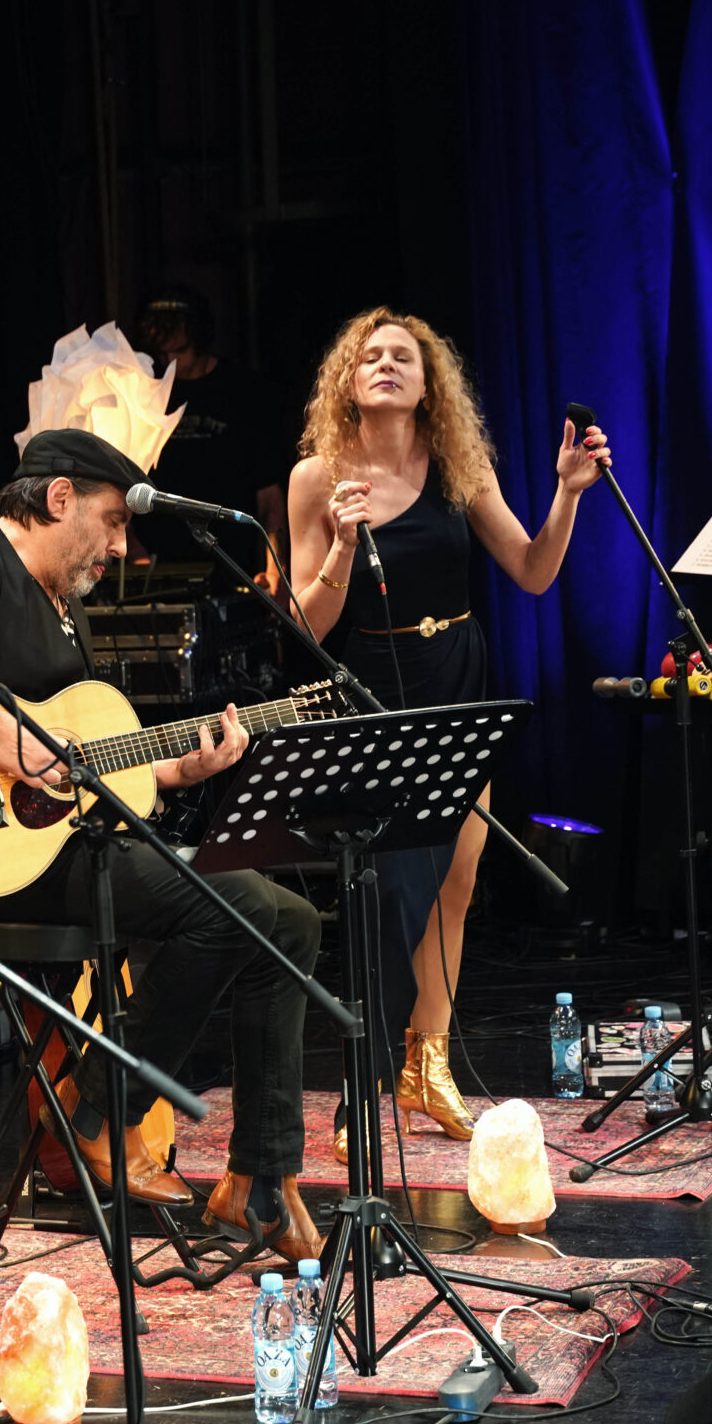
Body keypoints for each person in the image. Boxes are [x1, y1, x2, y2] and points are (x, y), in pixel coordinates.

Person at [0, 427, 325, 1260]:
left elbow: (78, 759)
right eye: (112, 522)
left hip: (58, 843)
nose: (119, 547)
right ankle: (97, 1111)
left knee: (292, 920)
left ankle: (259, 1180)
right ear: (58, 498)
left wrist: (175, 770)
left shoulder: (59, 602)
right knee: (239, 907)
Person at [287, 308, 607, 1140]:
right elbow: (305, 626)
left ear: (430, 384)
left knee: (456, 881)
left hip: (458, 677)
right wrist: (343, 547)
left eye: (404, 356)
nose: (386, 364)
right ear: (347, 381)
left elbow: (532, 571)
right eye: (370, 356)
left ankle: (427, 1065)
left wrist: (567, 495)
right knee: (393, 894)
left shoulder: (460, 467)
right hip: (375, 690)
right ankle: (362, 1082)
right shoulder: (318, 478)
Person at [133, 285, 297, 573]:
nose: (169, 360)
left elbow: (269, 493)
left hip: (231, 561)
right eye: (162, 351)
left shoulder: (244, 390)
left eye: (179, 350)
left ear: (199, 339)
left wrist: (275, 567)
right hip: (156, 566)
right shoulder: (142, 391)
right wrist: (134, 551)